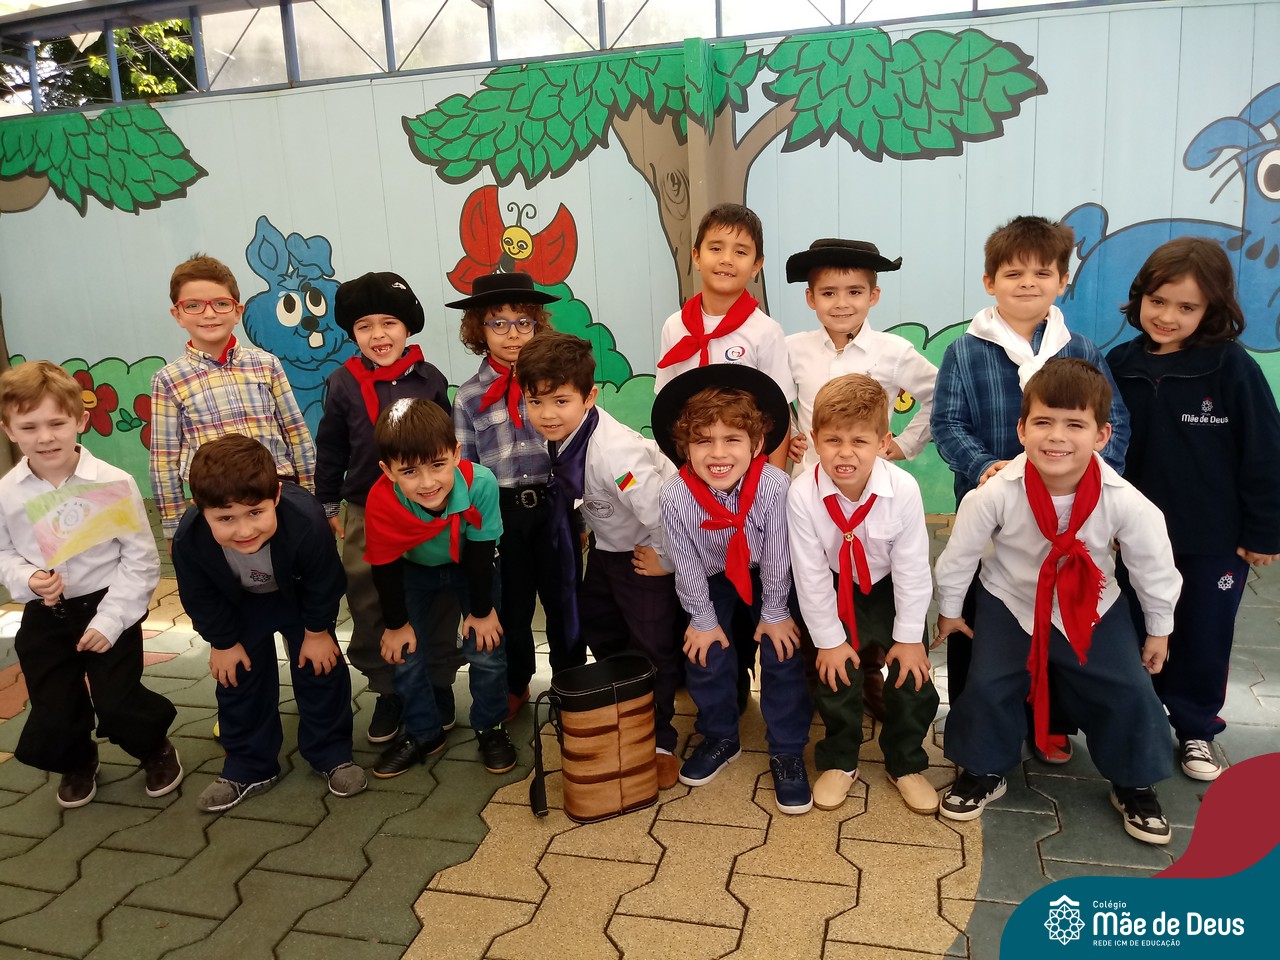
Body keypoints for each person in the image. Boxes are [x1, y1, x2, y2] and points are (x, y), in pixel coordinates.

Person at [934, 358, 1180, 845]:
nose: (1057, 437)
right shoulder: (995, 493)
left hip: (1093, 603)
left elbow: (1153, 565)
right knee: (989, 683)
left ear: (1102, 435)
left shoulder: (1123, 499)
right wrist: (950, 611)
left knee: (1128, 687)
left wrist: (1159, 628)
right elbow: (959, 555)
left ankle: (1134, 783)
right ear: (1022, 429)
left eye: (1075, 425)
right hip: (1012, 598)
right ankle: (983, 770)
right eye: (1043, 422)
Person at [930, 216, 1130, 762]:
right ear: (989, 282)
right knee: (984, 618)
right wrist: (984, 467)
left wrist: (1091, 482)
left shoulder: (1080, 349)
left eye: (1042, 273)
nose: (1027, 283)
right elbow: (948, 423)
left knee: (1060, 615)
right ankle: (976, 725)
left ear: (1062, 282)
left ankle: (1051, 720)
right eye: (1013, 273)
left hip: (1070, 515)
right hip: (992, 509)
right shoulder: (965, 350)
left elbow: (1115, 422)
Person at [1106, 237, 1280, 782]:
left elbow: (1265, 451)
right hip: (1134, 539)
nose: (1168, 316)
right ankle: (1139, 719)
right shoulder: (1119, 365)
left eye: (1187, 307)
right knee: (1135, 631)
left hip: (1213, 541)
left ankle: (1196, 728)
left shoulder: (1231, 366)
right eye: (1158, 301)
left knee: (1203, 635)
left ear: (1212, 309)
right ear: (1140, 297)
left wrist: (1265, 531)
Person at [0, 361, 180, 809]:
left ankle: (154, 748)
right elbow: (3, 554)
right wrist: (28, 578)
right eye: (29, 427)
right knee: (54, 705)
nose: (45, 437)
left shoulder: (112, 482)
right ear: (9, 430)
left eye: (57, 423)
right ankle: (78, 760)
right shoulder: (7, 492)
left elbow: (140, 559)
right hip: (45, 613)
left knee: (118, 701)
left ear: (80, 421)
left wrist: (111, 620)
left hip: (107, 605)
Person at [516, 331, 683, 788]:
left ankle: (660, 738)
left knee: (652, 644)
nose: (547, 414)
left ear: (589, 397)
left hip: (646, 552)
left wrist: (665, 560)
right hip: (609, 549)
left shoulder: (616, 454)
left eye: (560, 401)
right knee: (599, 623)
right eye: (535, 402)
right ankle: (627, 703)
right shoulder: (564, 435)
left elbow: (661, 511)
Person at [784, 237, 938, 723]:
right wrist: (789, 437)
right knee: (814, 579)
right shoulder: (793, 350)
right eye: (828, 293)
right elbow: (772, 399)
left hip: (868, 495)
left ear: (874, 296)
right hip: (814, 493)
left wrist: (903, 444)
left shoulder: (893, 351)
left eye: (854, 292)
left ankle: (868, 671)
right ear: (810, 298)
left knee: (870, 587)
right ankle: (821, 676)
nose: (841, 303)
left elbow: (938, 394)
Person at [172, 434, 364, 812]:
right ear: (199, 508)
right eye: (225, 518)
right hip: (239, 605)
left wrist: (317, 631)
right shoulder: (189, 538)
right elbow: (199, 596)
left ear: (276, 496)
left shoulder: (307, 520)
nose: (244, 531)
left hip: (299, 599)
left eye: (255, 513)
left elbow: (325, 580)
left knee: (321, 666)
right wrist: (223, 643)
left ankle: (331, 753)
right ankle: (249, 764)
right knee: (238, 676)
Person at [654, 365, 811, 812]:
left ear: (757, 444)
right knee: (705, 652)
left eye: (732, 439)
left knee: (782, 650)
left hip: (769, 576)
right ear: (684, 447)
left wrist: (775, 612)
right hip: (710, 578)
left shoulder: (775, 486)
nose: (718, 454)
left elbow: (779, 553)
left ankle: (787, 750)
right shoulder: (675, 496)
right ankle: (720, 735)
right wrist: (702, 621)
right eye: (703, 441)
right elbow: (686, 564)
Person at [315, 271, 460, 745]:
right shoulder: (342, 383)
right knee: (369, 597)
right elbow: (331, 447)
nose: (378, 335)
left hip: (429, 508)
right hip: (364, 509)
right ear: (352, 333)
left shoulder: (430, 379)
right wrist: (327, 500)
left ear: (408, 326)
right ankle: (388, 688)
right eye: (364, 326)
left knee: (438, 596)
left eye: (389, 323)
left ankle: (437, 682)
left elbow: (449, 445)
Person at [787, 373, 940, 814]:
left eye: (859, 441)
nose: (845, 453)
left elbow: (913, 567)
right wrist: (829, 640)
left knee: (912, 676)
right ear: (814, 439)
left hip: (891, 589)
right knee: (836, 675)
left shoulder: (902, 489)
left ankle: (905, 762)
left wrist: (909, 637)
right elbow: (810, 572)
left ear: (883, 442)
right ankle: (840, 760)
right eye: (833, 440)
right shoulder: (802, 494)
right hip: (836, 587)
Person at [362, 398, 516, 778]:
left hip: (470, 565)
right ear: (388, 471)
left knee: (486, 647)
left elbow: (482, 552)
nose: (428, 483)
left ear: (456, 454)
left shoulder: (481, 483)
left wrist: (481, 612)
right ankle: (424, 734)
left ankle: (491, 727)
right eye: (409, 471)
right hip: (413, 570)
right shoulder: (380, 499)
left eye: (437, 465)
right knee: (405, 652)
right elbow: (384, 566)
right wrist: (396, 625)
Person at [451, 272, 579, 719]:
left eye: (523, 322)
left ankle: (570, 681)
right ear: (479, 330)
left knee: (564, 598)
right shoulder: (469, 396)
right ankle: (516, 681)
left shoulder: (556, 386)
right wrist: (473, 527)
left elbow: (578, 449)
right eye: (498, 323)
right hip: (501, 511)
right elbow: (465, 469)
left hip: (554, 504)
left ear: (537, 326)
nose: (512, 334)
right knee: (513, 603)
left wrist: (580, 513)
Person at [151, 254, 315, 544]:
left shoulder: (266, 364)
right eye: (194, 305)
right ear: (178, 314)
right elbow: (164, 460)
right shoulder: (168, 380)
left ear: (237, 311)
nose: (209, 314)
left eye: (221, 303)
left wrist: (311, 500)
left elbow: (296, 434)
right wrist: (174, 528)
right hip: (217, 506)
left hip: (276, 495)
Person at [653, 203, 794, 466]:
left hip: (747, 467)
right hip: (692, 464)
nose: (726, 259)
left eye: (741, 252)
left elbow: (778, 411)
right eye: (716, 248)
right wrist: (671, 472)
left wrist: (776, 479)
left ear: (756, 265)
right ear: (697, 257)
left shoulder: (765, 331)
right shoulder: (675, 326)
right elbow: (667, 408)